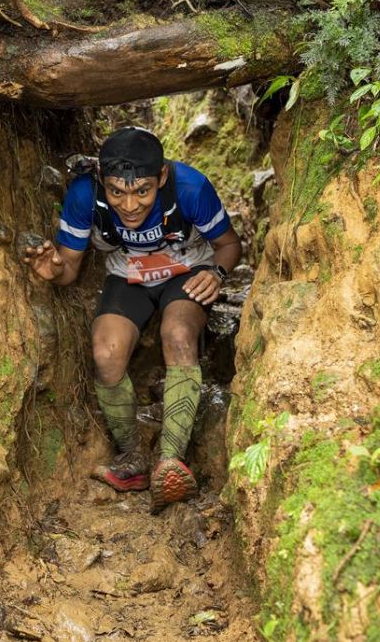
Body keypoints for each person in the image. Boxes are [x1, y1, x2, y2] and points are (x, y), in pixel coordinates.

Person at [22, 127, 242, 512]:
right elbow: (69, 268)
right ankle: (133, 458)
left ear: (161, 177)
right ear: (102, 181)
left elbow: (229, 244)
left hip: (187, 269)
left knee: (177, 334)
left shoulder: (190, 188)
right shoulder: (84, 195)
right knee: (106, 353)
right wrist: (52, 270)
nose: (129, 205)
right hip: (127, 275)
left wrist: (217, 274)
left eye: (142, 191)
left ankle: (171, 462)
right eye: (116, 192)